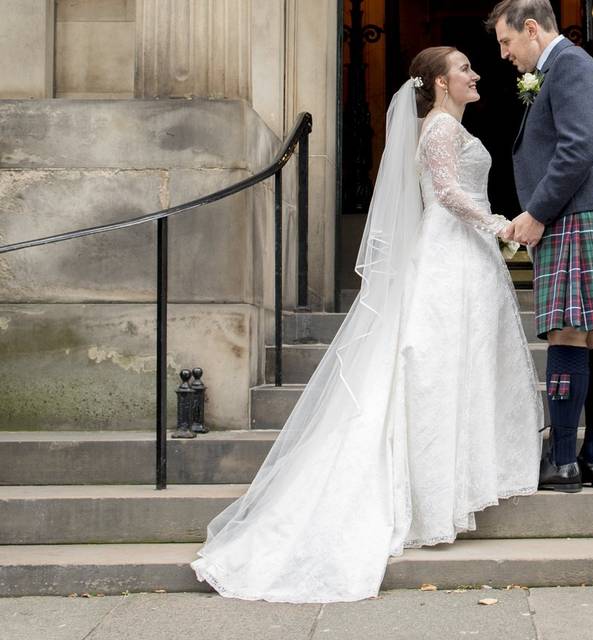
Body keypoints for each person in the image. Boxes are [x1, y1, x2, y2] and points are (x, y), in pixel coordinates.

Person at [190, 46, 542, 604]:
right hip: (452, 253)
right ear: (438, 82)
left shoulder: (439, 124)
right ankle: (437, 493)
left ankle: (456, 483)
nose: (476, 74)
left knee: (458, 363)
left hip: (460, 254)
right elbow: (448, 194)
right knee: (440, 366)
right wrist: (502, 224)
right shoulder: (442, 129)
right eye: (465, 69)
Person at [490, 0, 593, 493]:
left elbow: (579, 148)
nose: (503, 53)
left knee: (566, 334)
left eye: (506, 41)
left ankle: (562, 462)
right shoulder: (564, 66)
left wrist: (537, 213)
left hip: (579, 212)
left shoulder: (571, 65)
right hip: (590, 211)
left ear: (531, 28)